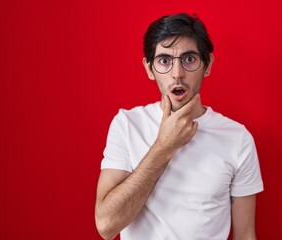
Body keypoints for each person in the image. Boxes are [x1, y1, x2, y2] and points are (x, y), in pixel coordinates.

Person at [95, 13, 263, 240]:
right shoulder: (127, 125)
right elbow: (106, 226)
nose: (177, 74)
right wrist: (164, 146)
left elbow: (245, 234)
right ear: (149, 69)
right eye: (164, 61)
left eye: (189, 59)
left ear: (208, 65)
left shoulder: (238, 138)